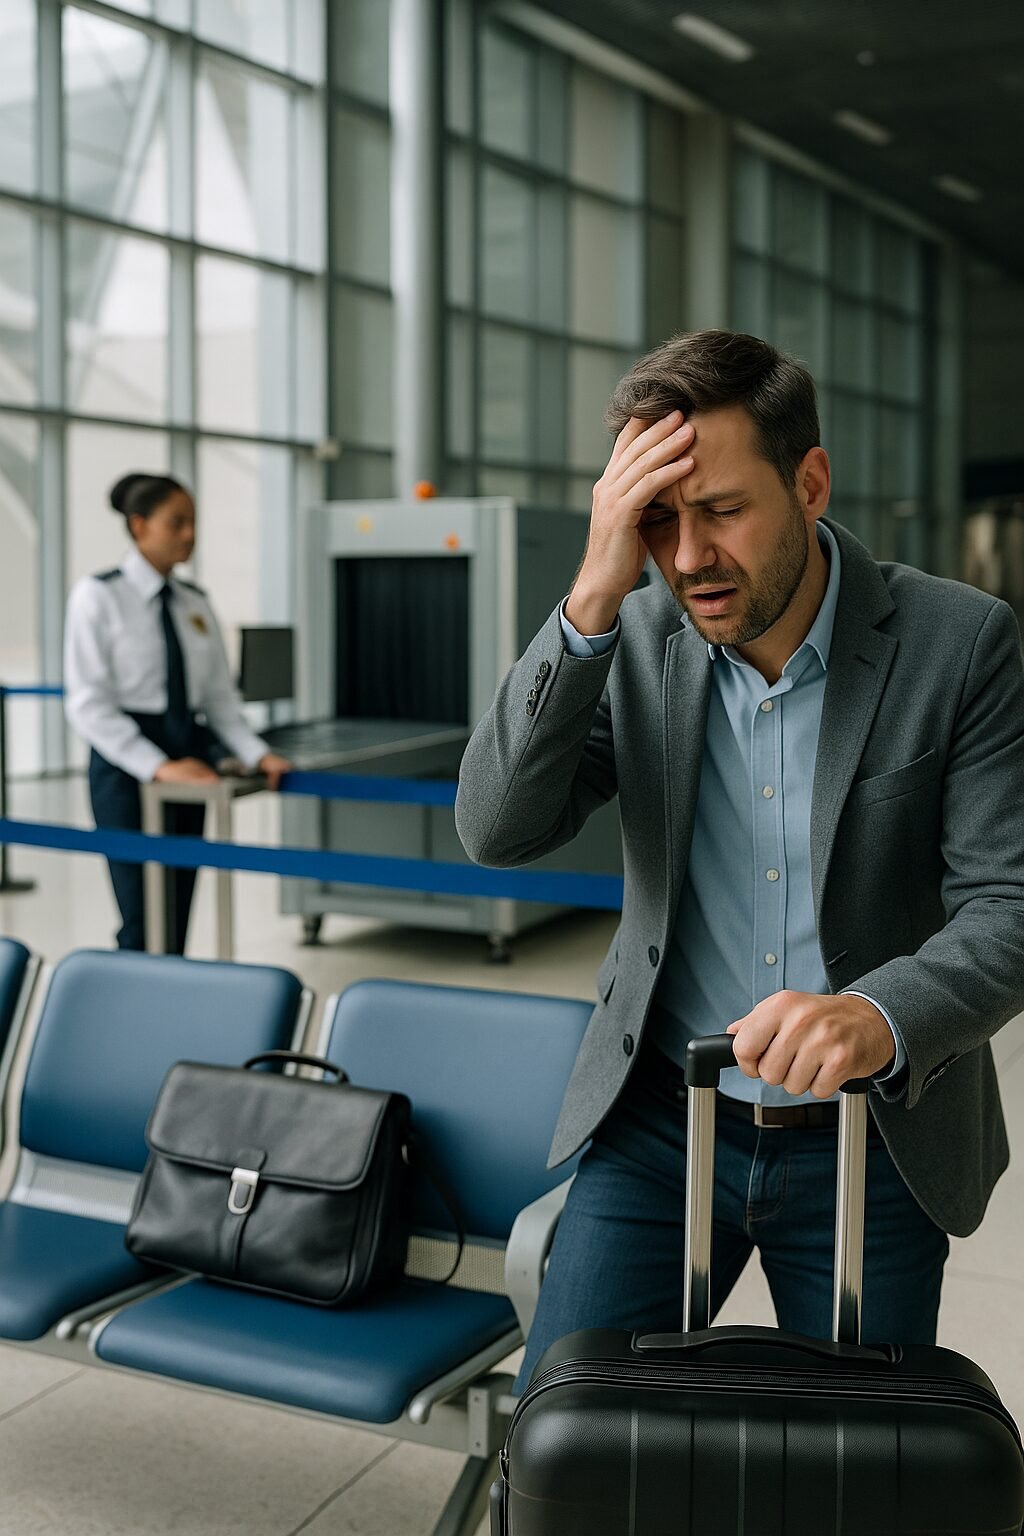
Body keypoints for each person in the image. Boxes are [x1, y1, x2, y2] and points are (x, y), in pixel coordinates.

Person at [455, 329, 1024, 1383]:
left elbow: (1008, 903)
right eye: (656, 520)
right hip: (662, 1124)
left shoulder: (959, 642)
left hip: (873, 1136)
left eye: (719, 510)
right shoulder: (626, 639)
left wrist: (876, 1015)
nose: (686, 558)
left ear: (809, 483)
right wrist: (590, 590)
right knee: (565, 1445)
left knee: (858, 1472)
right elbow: (496, 826)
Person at [64, 472, 292, 954]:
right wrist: (158, 767)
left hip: (187, 748)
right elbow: (88, 703)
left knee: (178, 904)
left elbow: (219, 700)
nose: (190, 534)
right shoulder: (99, 596)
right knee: (141, 913)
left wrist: (257, 753)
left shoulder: (195, 603)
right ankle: (133, 1009)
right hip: (127, 764)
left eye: (193, 522)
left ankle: (170, 1001)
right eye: (177, 523)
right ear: (139, 525)